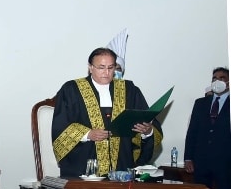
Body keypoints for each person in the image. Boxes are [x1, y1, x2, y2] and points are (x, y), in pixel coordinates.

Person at [52, 47, 162, 178]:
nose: (106, 72)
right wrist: (88, 134)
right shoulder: (71, 89)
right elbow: (60, 127)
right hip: (83, 165)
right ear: (90, 67)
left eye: (111, 68)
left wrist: (147, 131)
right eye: (101, 67)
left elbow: (149, 122)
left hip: (122, 166)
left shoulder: (129, 90)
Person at [184, 67, 231, 189]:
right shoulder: (201, 103)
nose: (217, 80)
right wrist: (188, 157)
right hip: (201, 160)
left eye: (222, 78)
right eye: (214, 78)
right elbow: (192, 132)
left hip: (225, 161)